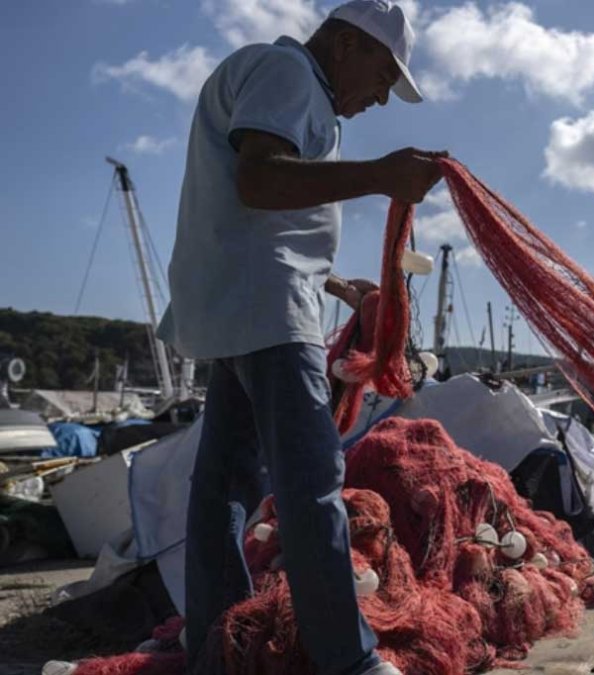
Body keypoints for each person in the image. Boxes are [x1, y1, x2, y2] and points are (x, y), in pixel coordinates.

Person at [156, 2, 442, 673]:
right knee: (313, 481)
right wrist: (379, 175)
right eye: (382, 75)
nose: (379, 98)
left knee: (224, 485)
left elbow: (261, 215)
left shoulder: (285, 81)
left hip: (238, 306)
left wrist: (338, 285)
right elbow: (259, 179)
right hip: (269, 312)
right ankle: (349, 659)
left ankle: (215, 643)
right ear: (346, 45)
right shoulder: (289, 74)